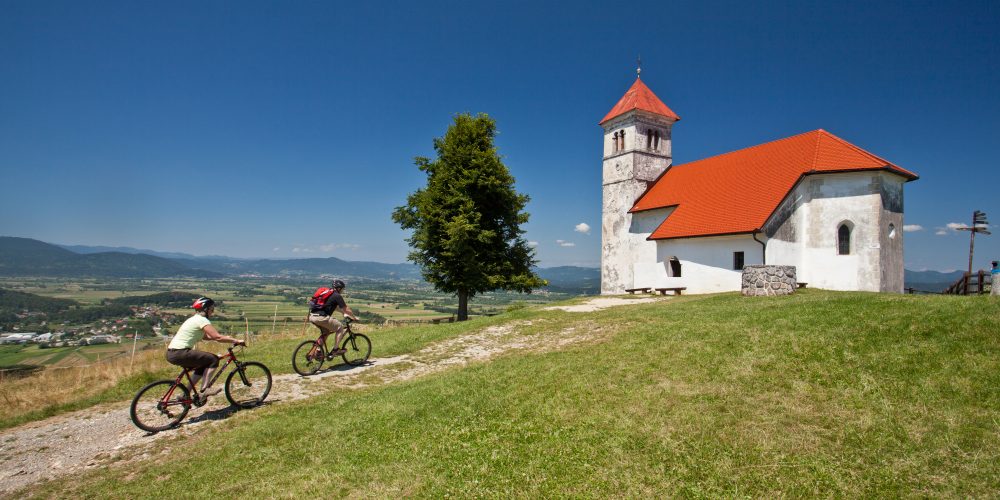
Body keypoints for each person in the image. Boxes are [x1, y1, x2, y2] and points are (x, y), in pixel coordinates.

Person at [166, 297, 244, 400]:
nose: (213, 311)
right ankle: (205, 389)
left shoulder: (193, 319)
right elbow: (217, 337)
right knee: (213, 359)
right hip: (180, 352)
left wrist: (227, 338)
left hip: (172, 353)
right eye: (211, 309)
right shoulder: (202, 320)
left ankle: (185, 393)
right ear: (206, 309)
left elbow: (206, 337)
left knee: (202, 365)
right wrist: (236, 340)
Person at [308, 279, 359, 355]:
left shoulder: (328, 294)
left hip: (312, 316)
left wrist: (343, 313)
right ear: (339, 288)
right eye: (342, 289)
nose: (342, 291)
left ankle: (318, 351)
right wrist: (354, 317)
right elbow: (346, 308)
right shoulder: (337, 296)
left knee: (326, 332)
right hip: (322, 318)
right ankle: (336, 350)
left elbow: (335, 308)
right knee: (340, 328)